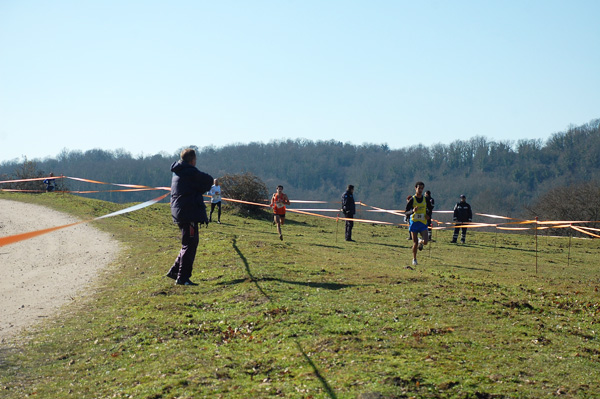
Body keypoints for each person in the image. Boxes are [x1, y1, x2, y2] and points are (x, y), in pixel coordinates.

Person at [166, 148, 214, 286]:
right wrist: (201, 188)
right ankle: (183, 277)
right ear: (192, 160)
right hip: (189, 212)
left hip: (180, 211)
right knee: (190, 244)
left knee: (187, 243)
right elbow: (208, 179)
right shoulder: (190, 171)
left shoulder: (178, 172)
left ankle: (175, 271)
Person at [405, 181, 433, 267]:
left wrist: (428, 215)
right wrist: (412, 211)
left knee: (426, 242)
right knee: (415, 243)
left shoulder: (426, 199)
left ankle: (421, 241)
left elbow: (430, 209)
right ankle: (414, 259)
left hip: (423, 223)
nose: (420, 190)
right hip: (414, 223)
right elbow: (406, 212)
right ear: (415, 188)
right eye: (419, 188)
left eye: (422, 188)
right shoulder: (412, 200)